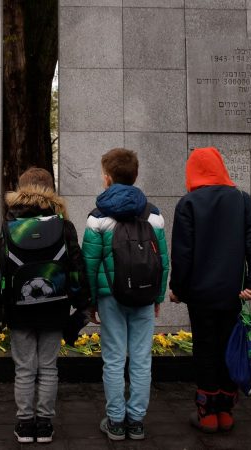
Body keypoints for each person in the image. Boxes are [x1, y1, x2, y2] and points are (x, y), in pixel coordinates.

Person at [169, 147, 251, 434]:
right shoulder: (241, 200)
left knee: (205, 349)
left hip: (200, 295)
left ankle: (206, 413)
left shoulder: (188, 203)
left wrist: (178, 289)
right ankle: (226, 410)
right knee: (229, 349)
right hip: (233, 293)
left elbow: (183, 254)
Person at [0, 167, 90, 444]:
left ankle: (24, 424)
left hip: (19, 308)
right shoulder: (63, 226)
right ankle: (44, 424)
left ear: (20, 191)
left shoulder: (9, 226)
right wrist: (83, 303)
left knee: (23, 368)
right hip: (55, 307)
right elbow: (76, 267)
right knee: (48, 366)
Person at [82, 148, 169, 441]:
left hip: (111, 298)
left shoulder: (97, 218)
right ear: (135, 175)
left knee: (114, 358)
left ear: (106, 178)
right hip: (144, 296)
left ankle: (116, 421)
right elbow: (163, 261)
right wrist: (157, 296)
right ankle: (137, 421)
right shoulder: (153, 215)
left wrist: (91, 301)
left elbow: (90, 265)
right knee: (142, 358)